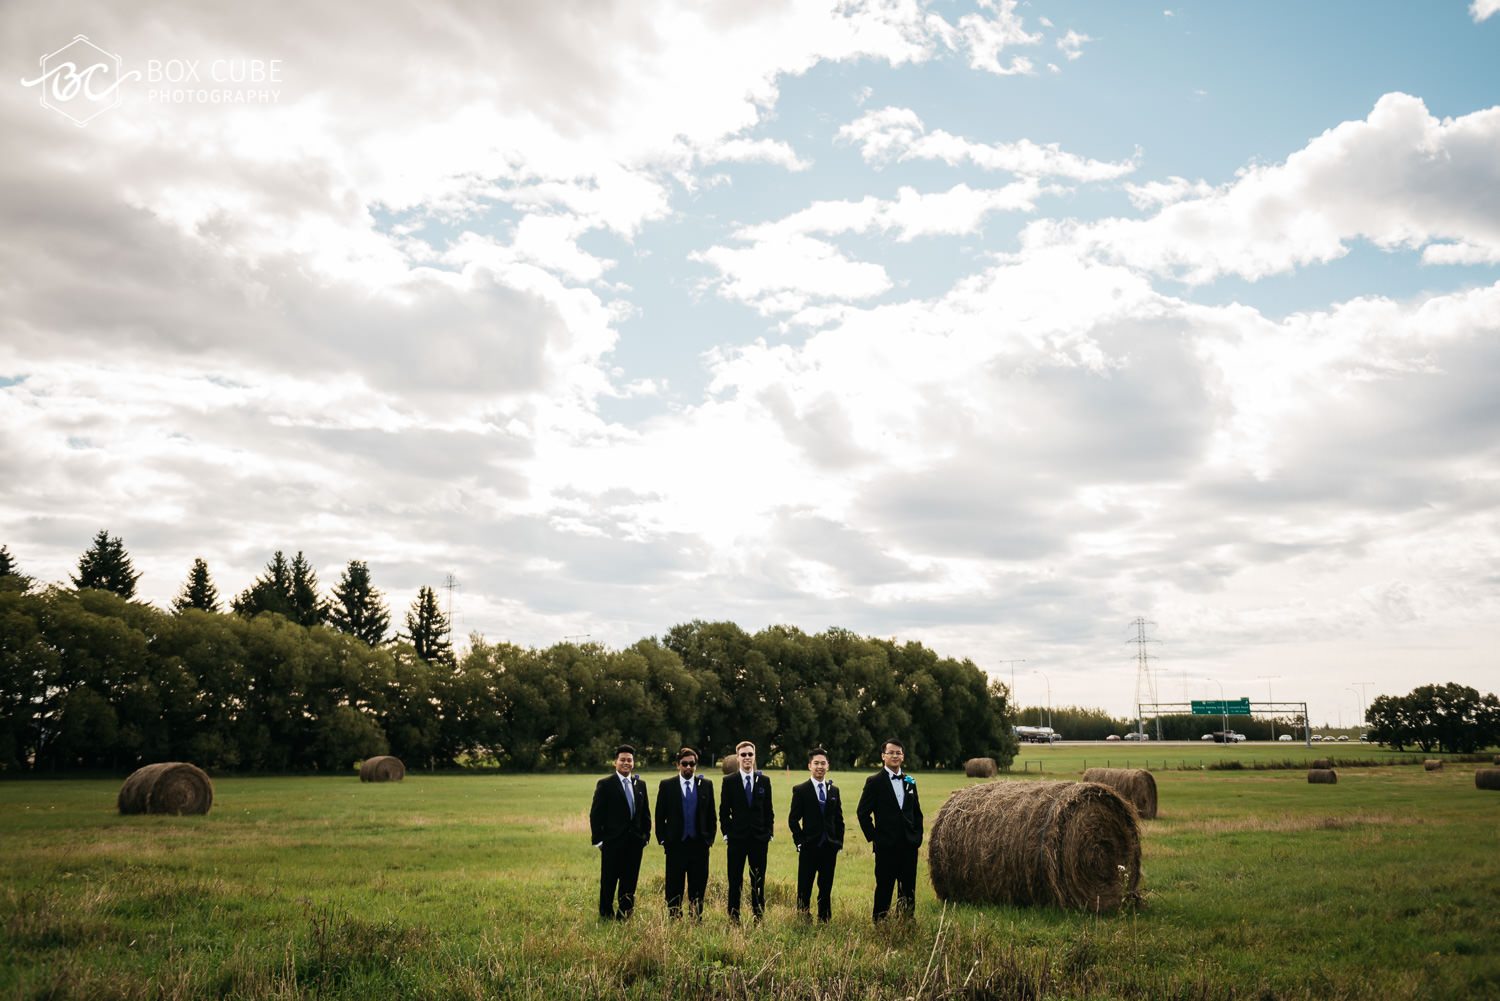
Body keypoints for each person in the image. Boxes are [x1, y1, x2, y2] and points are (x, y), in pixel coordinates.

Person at [855, 736, 923, 922]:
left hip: (909, 845)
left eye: (898, 753)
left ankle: (906, 922)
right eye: (891, 752)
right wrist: (875, 838)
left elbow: (917, 813)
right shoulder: (874, 781)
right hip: (886, 846)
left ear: (903, 756)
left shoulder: (910, 781)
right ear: (883, 756)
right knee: (884, 886)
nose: (895, 755)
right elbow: (862, 813)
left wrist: (917, 837)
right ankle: (880, 923)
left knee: (908, 887)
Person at [589, 743, 651, 920]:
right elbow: (596, 814)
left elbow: (645, 813)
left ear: (633, 763)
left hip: (635, 843)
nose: (626, 763)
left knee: (630, 881)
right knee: (609, 881)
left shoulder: (640, 784)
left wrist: (645, 837)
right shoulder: (605, 784)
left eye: (629, 760)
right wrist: (599, 841)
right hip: (612, 842)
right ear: (615, 762)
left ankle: (624, 915)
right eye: (622, 760)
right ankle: (606, 914)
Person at [655, 746, 716, 920]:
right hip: (676, 844)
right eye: (685, 764)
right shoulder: (667, 786)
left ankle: (696, 917)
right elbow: (660, 816)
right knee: (674, 884)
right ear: (678, 765)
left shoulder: (706, 785)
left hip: (699, 845)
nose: (688, 767)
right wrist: (663, 840)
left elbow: (712, 815)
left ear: (696, 765)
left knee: (698, 884)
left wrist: (709, 839)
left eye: (692, 764)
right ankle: (674, 916)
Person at [719, 739, 774, 922]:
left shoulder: (764, 781)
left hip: (759, 839)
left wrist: (768, 833)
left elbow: (769, 810)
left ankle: (758, 916)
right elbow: (724, 812)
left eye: (750, 754)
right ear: (738, 758)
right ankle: (734, 917)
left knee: (758, 880)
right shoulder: (729, 781)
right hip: (737, 839)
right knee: (735, 881)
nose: (747, 757)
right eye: (743, 755)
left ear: (754, 756)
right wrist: (727, 833)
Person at [787, 746, 844, 922]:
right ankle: (803, 918)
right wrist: (800, 841)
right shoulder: (800, 790)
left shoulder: (834, 790)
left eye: (823, 763)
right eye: (816, 763)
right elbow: (793, 819)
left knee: (826, 886)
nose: (820, 766)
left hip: (829, 847)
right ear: (809, 766)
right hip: (809, 846)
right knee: (805, 885)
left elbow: (839, 819)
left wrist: (838, 843)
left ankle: (824, 918)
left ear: (828, 766)